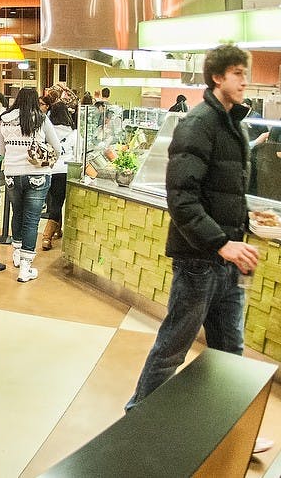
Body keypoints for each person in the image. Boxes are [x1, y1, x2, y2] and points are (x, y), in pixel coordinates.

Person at [126, 46, 266, 427]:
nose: (244, 79)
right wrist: (222, 242)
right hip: (199, 262)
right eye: (237, 72)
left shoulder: (234, 125)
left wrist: (242, 227)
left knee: (228, 352)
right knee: (173, 346)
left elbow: (222, 192)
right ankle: (138, 421)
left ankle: (225, 425)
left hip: (226, 260)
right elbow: (182, 198)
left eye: (244, 72)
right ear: (217, 77)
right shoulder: (199, 124)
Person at [0, 87, 62, 283]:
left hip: (12, 175)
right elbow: (57, 147)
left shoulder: (3, 119)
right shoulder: (40, 119)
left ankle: (16, 252)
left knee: (18, 212)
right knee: (32, 220)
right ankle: (25, 268)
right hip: (37, 174)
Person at [41, 102, 75, 250]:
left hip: (47, 169)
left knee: (52, 202)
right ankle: (46, 238)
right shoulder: (73, 134)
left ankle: (57, 230)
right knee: (57, 203)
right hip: (64, 170)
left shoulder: (47, 130)